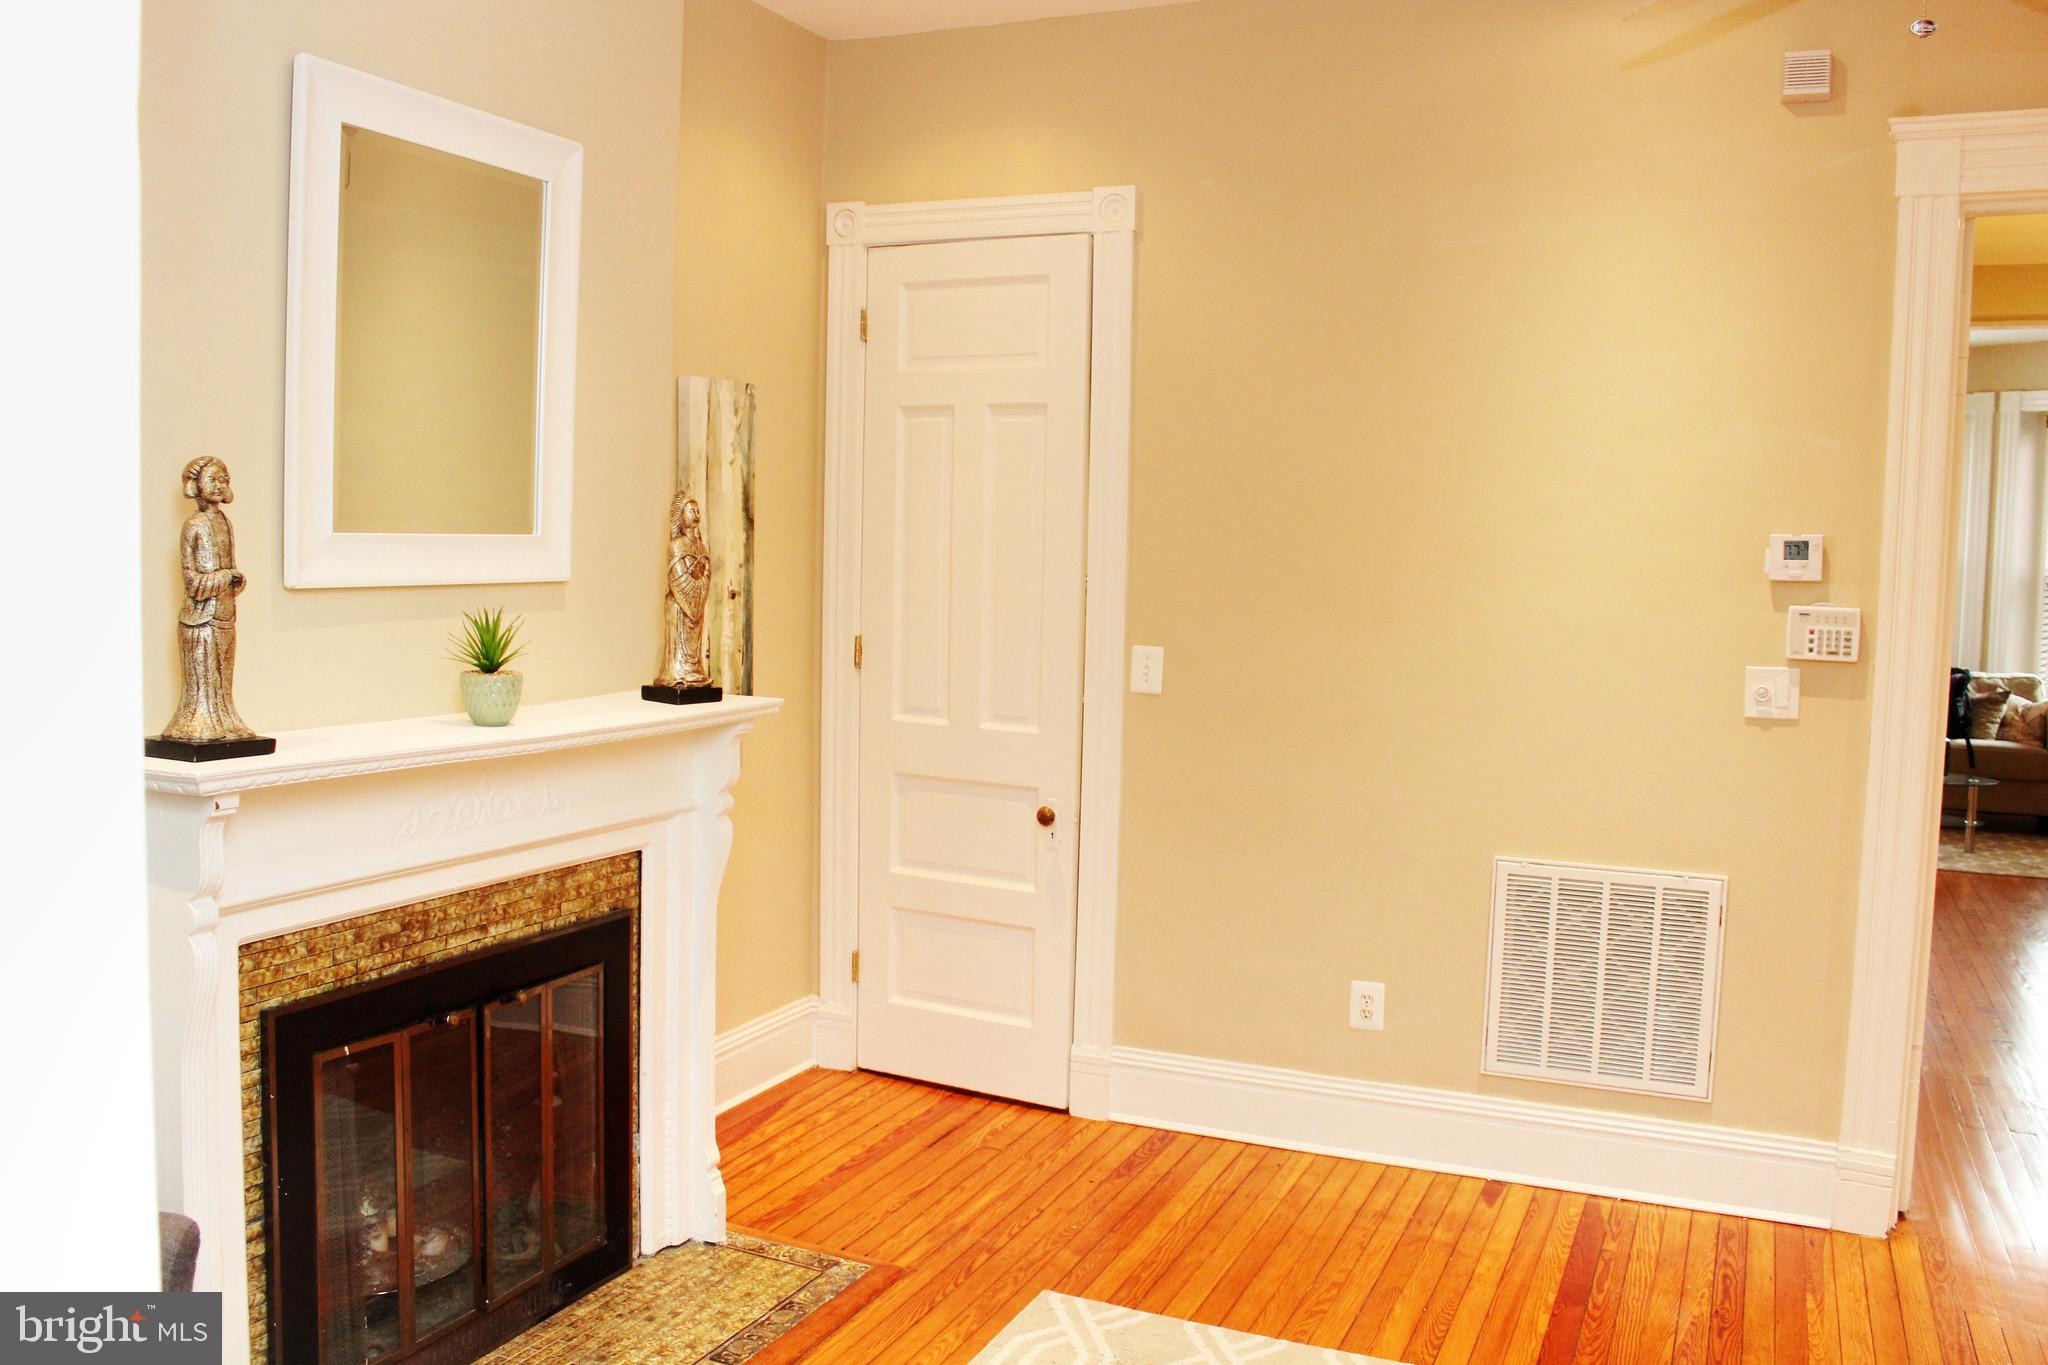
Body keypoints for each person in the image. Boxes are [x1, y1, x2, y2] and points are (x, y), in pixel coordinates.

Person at [160, 457, 256, 743]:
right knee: (203, 681)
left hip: (225, 615)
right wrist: (226, 576)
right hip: (200, 619)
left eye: (224, 479)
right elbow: (193, 583)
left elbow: (228, 570)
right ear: (196, 484)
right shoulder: (194, 525)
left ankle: (225, 721)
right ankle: (199, 722)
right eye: (212, 479)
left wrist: (234, 580)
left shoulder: (224, 522)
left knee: (223, 677)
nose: (220, 485)